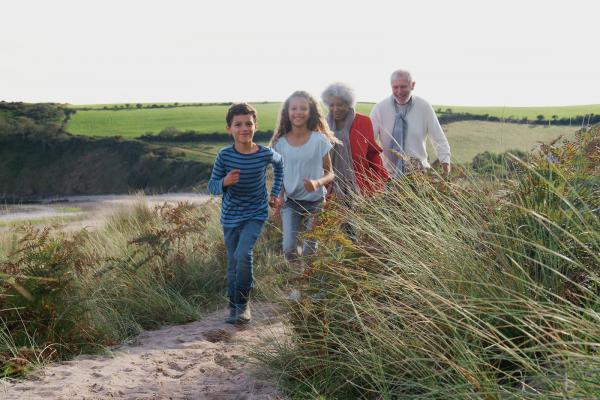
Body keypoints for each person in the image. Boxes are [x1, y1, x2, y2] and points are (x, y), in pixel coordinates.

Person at [207, 103, 283, 325]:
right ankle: (233, 305)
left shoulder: (264, 154)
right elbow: (211, 186)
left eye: (248, 124)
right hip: (230, 216)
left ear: (255, 126)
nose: (244, 128)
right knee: (232, 261)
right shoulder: (224, 156)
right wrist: (224, 182)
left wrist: (275, 193)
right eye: (238, 124)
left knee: (243, 255)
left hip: (256, 213)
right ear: (228, 128)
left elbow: (280, 165)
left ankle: (243, 304)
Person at [270, 91, 338, 261]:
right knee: (288, 250)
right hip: (291, 203)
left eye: (303, 108)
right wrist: (279, 198)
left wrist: (317, 183)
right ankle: (296, 278)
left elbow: (330, 173)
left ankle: (306, 282)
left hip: (315, 202)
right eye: (294, 108)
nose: (298, 112)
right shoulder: (280, 144)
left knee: (309, 250)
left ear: (310, 112)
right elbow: (279, 175)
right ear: (287, 112)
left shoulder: (319, 140)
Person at [370, 69, 451, 177]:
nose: (399, 91)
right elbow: (368, 141)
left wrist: (446, 168)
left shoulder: (424, 107)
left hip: (419, 174)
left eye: (403, 87)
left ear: (412, 85)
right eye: (395, 87)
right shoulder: (379, 108)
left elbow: (439, 139)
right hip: (388, 175)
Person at [321, 82, 388, 198]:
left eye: (340, 105)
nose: (335, 109)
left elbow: (372, 154)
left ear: (348, 104)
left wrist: (381, 177)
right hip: (328, 189)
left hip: (360, 188)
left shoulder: (364, 122)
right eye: (331, 105)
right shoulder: (321, 126)